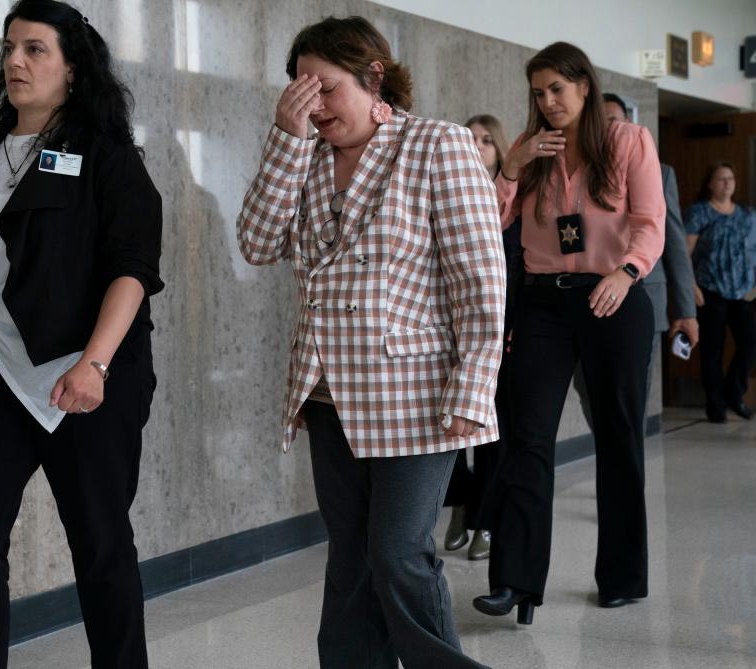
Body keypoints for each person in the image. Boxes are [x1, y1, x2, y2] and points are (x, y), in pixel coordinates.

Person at [237, 16, 505, 669]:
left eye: (324, 88)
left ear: (373, 76)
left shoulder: (437, 144)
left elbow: (480, 277)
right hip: (329, 393)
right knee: (351, 556)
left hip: (418, 395)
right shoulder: (304, 154)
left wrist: (473, 384)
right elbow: (258, 242)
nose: (315, 106)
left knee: (398, 552)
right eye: (300, 91)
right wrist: (286, 137)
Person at [0, 1, 163, 666]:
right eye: (11, 48)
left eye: (36, 49)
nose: (16, 61)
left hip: (89, 371)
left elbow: (132, 272)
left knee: (101, 544)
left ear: (73, 68)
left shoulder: (109, 159)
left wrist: (96, 366)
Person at [472, 42, 665, 624]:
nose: (548, 101)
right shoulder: (531, 155)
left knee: (618, 434)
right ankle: (514, 582)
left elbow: (649, 224)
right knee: (525, 437)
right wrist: (510, 166)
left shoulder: (629, 142)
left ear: (585, 86)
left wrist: (626, 273)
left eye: (557, 88)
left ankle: (623, 576)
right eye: (538, 92)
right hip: (542, 305)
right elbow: (487, 221)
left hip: (614, 297)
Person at [573, 94, 699, 428]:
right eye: (600, 121)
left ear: (628, 122)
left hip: (642, 296)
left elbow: (674, 243)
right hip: (587, 296)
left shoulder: (660, 171)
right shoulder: (576, 167)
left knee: (630, 401)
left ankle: (627, 465)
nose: (608, 128)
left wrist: (685, 311)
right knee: (590, 393)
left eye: (614, 120)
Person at [442, 114, 512, 561]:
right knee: (445, 429)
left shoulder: (513, 203)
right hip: (445, 331)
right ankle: (460, 502)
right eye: (471, 138)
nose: (479, 146)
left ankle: (486, 520)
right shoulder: (445, 192)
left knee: (490, 434)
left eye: (488, 140)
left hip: (501, 333)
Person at [684, 162, 756, 422]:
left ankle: (734, 394)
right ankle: (715, 405)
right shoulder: (699, 212)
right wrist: (690, 287)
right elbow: (684, 254)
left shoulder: (748, 215)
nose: (727, 183)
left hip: (742, 292)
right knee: (712, 350)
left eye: (731, 178)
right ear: (710, 184)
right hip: (709, 289)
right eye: (721, 179)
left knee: (750, 343)